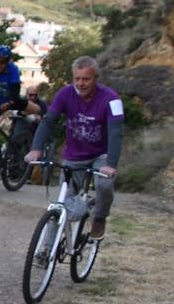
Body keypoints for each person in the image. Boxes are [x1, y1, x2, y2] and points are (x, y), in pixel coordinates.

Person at [24, 56, 123, 240]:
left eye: (86, 79)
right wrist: (37, 148)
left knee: (105, 184)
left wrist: (111, 164)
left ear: (96, 78)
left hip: (101, 154)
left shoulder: (111, 99)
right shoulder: (65, 94)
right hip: (75, 155)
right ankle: (46, 249)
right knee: (61, 203)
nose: (81, 83)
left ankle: (100, 217)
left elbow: (116, 132)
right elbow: (48, 122)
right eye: (77, 78)